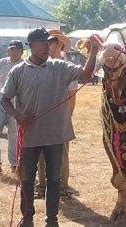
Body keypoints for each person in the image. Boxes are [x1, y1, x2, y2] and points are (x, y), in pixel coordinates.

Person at [0, 28, 99, 226]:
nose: (47, 46)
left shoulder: (59, 66)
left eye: (49, 42)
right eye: (42, 42)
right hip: (29, 137)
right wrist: (19, 117)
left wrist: (94, 53)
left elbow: (86, 75)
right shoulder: (18, 71)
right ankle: (27, 217)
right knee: (27, 180)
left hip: (55, 136)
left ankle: (51, 220)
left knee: (54, 180)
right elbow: (4, 99)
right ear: (31, 46)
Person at [35, 30, 78, 199]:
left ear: (59, 45)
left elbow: (72, 96)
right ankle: (41, 185)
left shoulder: (68, 68)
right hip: (40, 117)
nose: (49, 45)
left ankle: (62, 187)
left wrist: (66, 117)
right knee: (39, 152)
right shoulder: (38, 65)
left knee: (61, 153)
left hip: (60, 118)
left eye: (52, 42)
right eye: (47, 42)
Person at [0, 40, 23, 173]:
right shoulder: (3, 62)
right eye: (11, 49)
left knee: (13, 133)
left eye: (16, 49)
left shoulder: (24, 65)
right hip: (0, 100)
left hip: (16, 102)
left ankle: (14, 163)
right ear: (8, 51)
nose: (14, 52)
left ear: (21, 51)